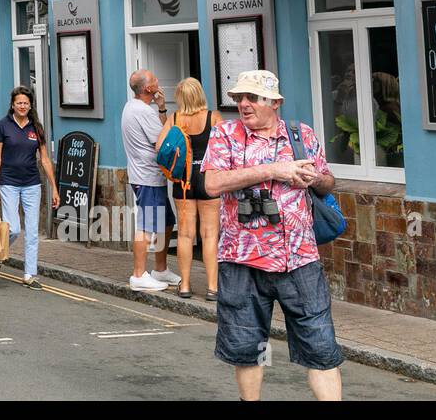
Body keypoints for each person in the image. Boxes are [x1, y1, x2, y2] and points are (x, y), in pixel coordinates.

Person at [203, 70, 342, 401]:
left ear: (275, 102)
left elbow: (328, 181)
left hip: (300, 260)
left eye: (253, 98)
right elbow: (212, 184)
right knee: (248, 347)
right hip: (242, 261)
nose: (244, 104)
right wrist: (275, 170)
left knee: (321, 347)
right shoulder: (224, 135)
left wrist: (313, 179)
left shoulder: (300, 134)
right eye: (239, 98)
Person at [0, 86, 60, 286]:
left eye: (26, 103)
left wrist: (54, 187)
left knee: (32, 230)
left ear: (30, 105)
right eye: (19, 103)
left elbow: (45, 160)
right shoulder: (3, 126)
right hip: (8, 182)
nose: (22, 106)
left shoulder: (36, 128)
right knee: (13, 229)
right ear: (12, 104)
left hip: (31, 184)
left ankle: (29, 274)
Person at [160, 77, 222, 300]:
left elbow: (160, 148)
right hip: (208, 178)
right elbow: (226, 148)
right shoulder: (213, 117)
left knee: (185, 235)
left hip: (183, 181)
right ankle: (213, 287)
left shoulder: (175, 119)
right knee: (210, 235)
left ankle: (185, 285)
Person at [122, 70, 180, 292]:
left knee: (166, 222)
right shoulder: (143, 112)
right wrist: (165, 114)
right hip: (148, 177)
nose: (158, 81)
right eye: (154, 80)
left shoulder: (131, 106)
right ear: (147, 88)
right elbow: (164, 140)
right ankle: (138, 275)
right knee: (146, 226)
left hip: (149, 176)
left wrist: (161, 107)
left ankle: (160, 269)